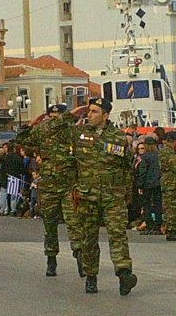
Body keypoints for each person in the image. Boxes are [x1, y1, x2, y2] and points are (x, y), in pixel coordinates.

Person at [56, 97, 137, 295]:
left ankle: (124, 273)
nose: (89, 115)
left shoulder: (119, 138)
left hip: (113, 197)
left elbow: (128, 169)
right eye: (89, 111)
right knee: (88, 238)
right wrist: (73, 113)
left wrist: (126, 194)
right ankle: (91, 276)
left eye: (94, 112)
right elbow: (53, 129)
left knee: (118, 234)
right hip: (87, 196)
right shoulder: (78, 134)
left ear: (106, 115)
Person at [27, 102, 82, 277]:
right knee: (49, 224)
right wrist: (32, 123)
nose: (54, 120)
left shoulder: (73, 132)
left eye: (58, 117)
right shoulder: (43, 131)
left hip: (68, 184)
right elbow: (24, 140)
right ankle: (51, 258)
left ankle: (80, 256)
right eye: (51, 117)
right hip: (49, 185)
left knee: (74, 223)